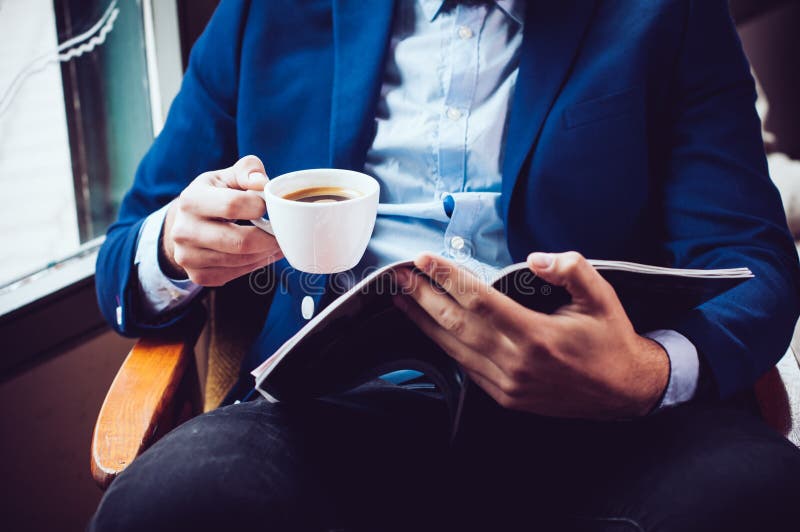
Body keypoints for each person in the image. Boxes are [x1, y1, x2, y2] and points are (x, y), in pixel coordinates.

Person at [91, 1, 800, 530]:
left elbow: (755, 263)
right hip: (321, 422)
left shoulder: (667, 13)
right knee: (169, 508)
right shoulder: (264, 12)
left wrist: (643, 374)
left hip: (600, 422)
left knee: (760, 498)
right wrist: (174, 245)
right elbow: (122, 265)